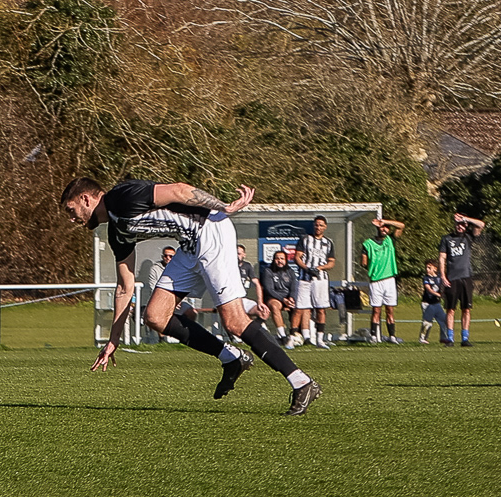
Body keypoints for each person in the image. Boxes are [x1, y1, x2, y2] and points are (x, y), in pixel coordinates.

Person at [61, 176, 321, 416]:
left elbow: (179, 190)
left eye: (71, 210)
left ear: (86, 199)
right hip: (189, 245)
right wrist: (113, 340)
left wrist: (224, 207)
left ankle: (302, 382)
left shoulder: (121, 197)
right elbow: (124, 288)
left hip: (210, 230)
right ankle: (231, 357)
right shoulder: (117, 233)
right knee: (155, 316)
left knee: (234, 322)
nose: (71, 219)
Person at [438, 212, 487, 346]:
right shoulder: (447, 239)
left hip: (466, 277)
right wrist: (442, 276)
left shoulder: (468, 237)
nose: (460, 226)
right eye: (458, 224)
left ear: (466, 225)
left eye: (462, 224)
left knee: (466, 309)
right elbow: (442, 258)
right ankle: (450, 338)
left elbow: (481, 225)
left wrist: (466, 219)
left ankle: (465, 338)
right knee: (450, 309)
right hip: (452, 278)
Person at [359, 217, 405, 343]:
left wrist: (385, 222)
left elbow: (401, 226)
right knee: (376, 310)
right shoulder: (368, 243)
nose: (385, 229)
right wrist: (370, 265)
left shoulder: (390, 240)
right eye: (382, 227)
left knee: (390, 310)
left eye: (386, 228)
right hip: (376, 281)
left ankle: (392, 336)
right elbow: (363, 262)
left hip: (389, 280)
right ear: (377, 228)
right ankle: (373, 336)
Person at [292, 217, 336, 349]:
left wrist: (319, 268)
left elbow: (331, 262)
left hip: (320, 279)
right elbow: (297, 257)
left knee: (321, 309)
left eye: (321, 225)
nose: (318, 227)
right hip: (305, 278)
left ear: (325, 227)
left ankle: (320, 339)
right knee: (300, 308)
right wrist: (307, 268)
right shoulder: (305, 239)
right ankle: (293, 337)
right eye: (317, 225)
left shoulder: (328, 242)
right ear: (313, 226)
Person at [259, 250, 297, 340]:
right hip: (274, 297)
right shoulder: (268, 271)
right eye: (277, 259)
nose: (280, 261)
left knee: (301, 307)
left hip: (288, 298)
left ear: (286, 260)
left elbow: (294, 287)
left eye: (282, 259)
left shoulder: (290, 271)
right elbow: (269, 290)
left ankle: (298, 334)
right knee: (275, 306)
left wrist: (291, 298)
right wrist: (283, 299)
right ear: (273, 260)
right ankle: (282, 335)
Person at [418, 260, 449, 345]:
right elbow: (428, 289)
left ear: (435, 268)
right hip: (427, 303)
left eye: (429, 268)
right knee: (427, 322)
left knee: (443, 320)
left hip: (436, 304)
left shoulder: (439, 277)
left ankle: (443, 338)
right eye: (426, 267)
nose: (427, 269)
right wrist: (438, 294)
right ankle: (423, 339)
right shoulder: (426, 278)